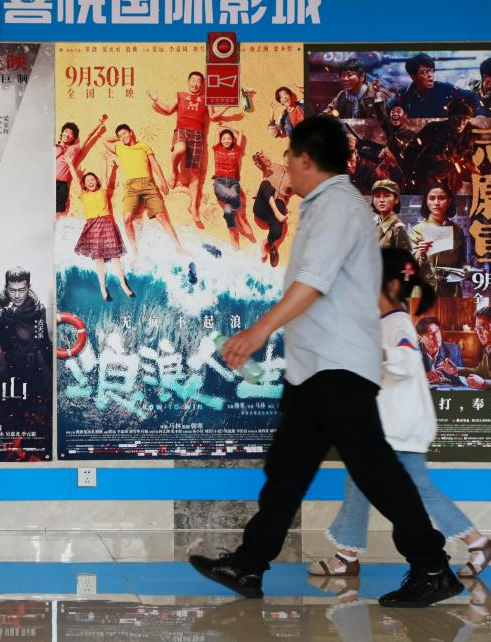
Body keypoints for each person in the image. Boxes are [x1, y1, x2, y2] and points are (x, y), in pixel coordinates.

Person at [189, 114, 460, 608]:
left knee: (375, 470)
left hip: (338, 366)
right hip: (315, 367)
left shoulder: (337, 205)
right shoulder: (325, 204)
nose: (285, 165)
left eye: (290, 156)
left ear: (307, 159)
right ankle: (249, 564)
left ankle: (432, 566)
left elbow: (313, 282)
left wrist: (257, 332)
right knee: (287, 472)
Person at [307, 248, 491, 580]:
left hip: (399, 428)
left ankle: (348, 557)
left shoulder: (397, 323)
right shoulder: (385, 323)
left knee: (405, 489)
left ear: (391, 286)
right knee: (363, 485)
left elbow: (406, 361)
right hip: (390, 426)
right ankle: (347, 556)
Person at [148, 72, 247, 224]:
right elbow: (168, 109)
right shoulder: (180, 95)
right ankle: (174, 171)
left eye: (198, 81)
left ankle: (193, 206)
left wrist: (226, 108)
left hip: (198, 136)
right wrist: (156, 100)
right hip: (182, 130)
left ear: (202, 84)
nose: (195, 84)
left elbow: (212, 117)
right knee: (179, 149)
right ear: (188, 81)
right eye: (193, 80)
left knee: (195, 174)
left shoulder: (206, 99)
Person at [104, 124, 186, 260]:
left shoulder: (144, 146)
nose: (123, 137)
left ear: (131, 132)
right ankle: (135, 252)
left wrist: (163, 180)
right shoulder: (120, 148)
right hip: (131, 187)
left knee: (161, 216)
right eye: (120, 136)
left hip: (148, 184)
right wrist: (120, 137)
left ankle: (179, 248)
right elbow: (105, 140)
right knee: (126, 219)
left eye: (125, 133)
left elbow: (154, 163)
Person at [67, 160, 134, 301]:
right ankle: (103, 288)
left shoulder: (103, 190)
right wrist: (70, 164)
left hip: (107, 223)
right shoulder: (83, 194)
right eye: (87, 181)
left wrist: (107, 164)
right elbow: (76, 180)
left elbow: (105, 177)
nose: (90, 182)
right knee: (98, 259)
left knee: (115, 257)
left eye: (92, 179)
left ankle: (124, 285)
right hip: (93, 226)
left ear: (96, 181)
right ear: (84, 185)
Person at [0, 267, 53, 382]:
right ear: (6, 288)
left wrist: (58, 372)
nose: (17, 295)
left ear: (29, 288)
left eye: (22, 290)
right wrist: (10, 312)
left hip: (32, 372)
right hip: (6, 372)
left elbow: (44, 343)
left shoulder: (38, 309)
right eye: (12, 290)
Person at [410, 185, 466, 297]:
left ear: (449, 201)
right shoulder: (418, 229)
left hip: (451, 289)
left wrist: (466, 270)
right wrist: (421, 253)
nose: (436, 202)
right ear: (426, 202)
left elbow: (462, 260)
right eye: (432, 198)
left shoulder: (457, 230)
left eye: (441, 198)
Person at [411, 100, 478, 195]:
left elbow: (474, 157)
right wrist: (410, 174)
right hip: (428, 175)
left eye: (465, 119)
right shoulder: (433, 128)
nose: (461, 123)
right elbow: (411, 151)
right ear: (450, 117)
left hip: (452, 177)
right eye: (457, 118)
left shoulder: (471, 132)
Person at [388, 53, 483, 118]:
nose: (430, 75)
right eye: (424, 72)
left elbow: (471, 96)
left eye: (432, 71)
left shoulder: (445, 89)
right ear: (413, 77)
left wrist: (480, 116)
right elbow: (388, 109)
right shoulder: (403, 94)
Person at [56, 116, 107, 220]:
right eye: (66, 131)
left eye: (71, 133)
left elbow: (88, 136)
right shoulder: (54, 146)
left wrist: (100, 123)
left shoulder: (75, 148)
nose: (67, 134)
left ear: (73, 138)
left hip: (62, 184)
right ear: (62, 133)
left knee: (58, 212)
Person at [212, 128, 255, 250]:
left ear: (232, 140)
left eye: (229, 138)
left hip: (233, 182)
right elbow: (217, 131)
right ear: (220, 140)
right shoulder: (217, 148)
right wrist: (222, 127)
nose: (226, 141)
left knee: (228, 211)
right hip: (219, 183)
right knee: (233, 196)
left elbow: (240, 131)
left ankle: (232, 236)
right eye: (224, 139)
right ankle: (241, 219)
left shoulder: (236, 149)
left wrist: (227, 125)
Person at [251, 152, 291, 268]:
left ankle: (268, 245)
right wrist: (258, 158)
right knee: (265, 184)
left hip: (277, 206)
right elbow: (261, 163)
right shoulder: (273, 167)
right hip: (262, 206)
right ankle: (277, 214)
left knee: (279, 231)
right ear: (284, 158)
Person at [320, 58, 389, 119]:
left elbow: (383, 119)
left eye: (349, 75)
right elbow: (328, 112)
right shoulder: (342, 95)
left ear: (362, 77)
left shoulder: (377, 94)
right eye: (342, 75)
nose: (345, 79)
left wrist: (377, 97)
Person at [416, 317, 463, 384]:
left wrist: (454, 373)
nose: (437, 336)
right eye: (431, 334)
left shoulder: (454, 350)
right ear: (421, 337)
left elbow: (462, 379)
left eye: (437, 331)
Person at [372, 180, 410, 251]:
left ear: (396, 200)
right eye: (377, 196)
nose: (381, 200)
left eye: (387, 196)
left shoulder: (398, 229)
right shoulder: (373, 224)